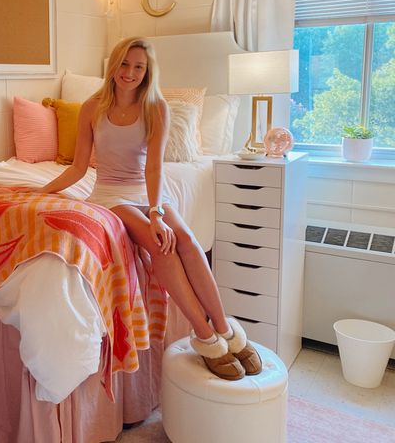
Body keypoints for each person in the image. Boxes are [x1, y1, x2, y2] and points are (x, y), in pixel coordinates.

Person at [37, 36, 261, 380]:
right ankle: (205, 337)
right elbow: (79, 167)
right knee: (161, 244)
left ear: (147, 71)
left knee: (184, 239)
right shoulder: (92, 107)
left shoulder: (157, 107)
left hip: (147, 189)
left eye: (138, 66)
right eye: (124, 64)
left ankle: (226, 331)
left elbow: (153, 168)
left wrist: (157, 212)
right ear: (114, 66)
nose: (130, 72)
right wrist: (42, 191)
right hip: (111, 194)